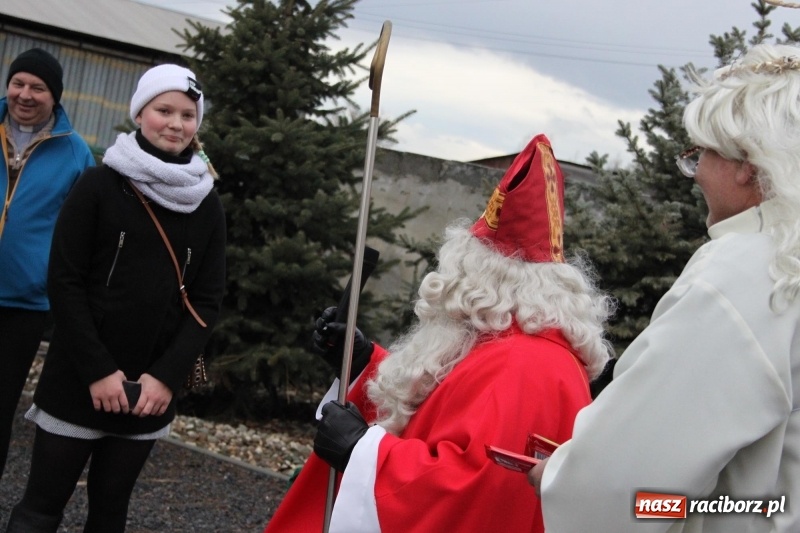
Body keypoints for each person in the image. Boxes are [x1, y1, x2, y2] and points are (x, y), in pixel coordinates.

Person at [263, 134, 615, 533]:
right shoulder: (509, 336)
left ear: (486, 277)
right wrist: (367, 362)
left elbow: (470, 492)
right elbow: (445, 404)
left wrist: (360, 452)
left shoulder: (524, 366)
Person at [528, 42, 800, 533]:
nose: (695, 174)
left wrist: (562, 477)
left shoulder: (744, 272)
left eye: (702, 154)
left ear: (748, 163)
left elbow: (627, 496)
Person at [4, 64, 226, 533]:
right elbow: (64, 281)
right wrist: (98, 370)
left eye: (188, 114)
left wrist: (165, 379)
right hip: (79, 380)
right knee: (39, 511)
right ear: (140, 113)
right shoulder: (99, 186)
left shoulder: (206, 202)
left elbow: (207, 300)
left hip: (149, 393)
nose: (175, 123)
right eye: (164, 110)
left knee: (109, 515)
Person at [0, 48, 95, 482]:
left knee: (1, 407)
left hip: (24, 304)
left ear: (54, 96)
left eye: (38, 87)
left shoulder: (75, 153)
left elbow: (85, 231)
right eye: (18, 83)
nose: (25, 94)